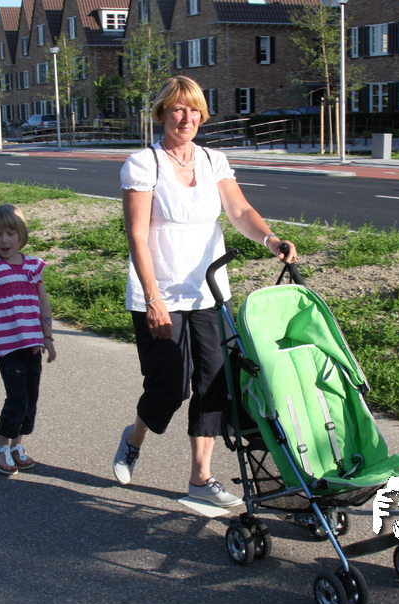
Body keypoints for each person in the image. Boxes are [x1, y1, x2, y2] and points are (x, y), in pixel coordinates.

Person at [113, 75, 298, 507]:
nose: (187, 117)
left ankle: (201, 478)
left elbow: (239, 210)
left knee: (215, 382)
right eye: (178, 108)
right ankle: (134, 436)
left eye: (194, 109)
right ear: (162, 113)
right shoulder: (144, 164)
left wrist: (271, 240)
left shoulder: (213, 161)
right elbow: (137, 236)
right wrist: (153, 297)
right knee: (170, 387)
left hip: (209, 292)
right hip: (159, 294)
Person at [0, 204, 56, 475]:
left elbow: (43, 303)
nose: (4, 240)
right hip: (6, 346)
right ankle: (0, 446)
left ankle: (17, 445)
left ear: (21, 234)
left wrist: (48, 337)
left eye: (10, 233)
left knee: (31, 399)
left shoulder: (33, 266)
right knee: (17, 398)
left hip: (32, 345)